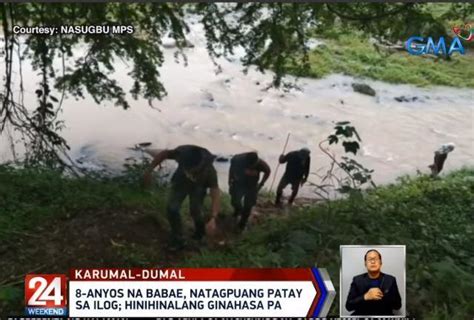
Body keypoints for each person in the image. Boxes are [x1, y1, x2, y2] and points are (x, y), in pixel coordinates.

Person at [143, 145, 220, 249]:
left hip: (199, 187)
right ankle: (177, 238)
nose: (188, 172)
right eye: (186, 168)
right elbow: (163, 154)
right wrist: (149, 171)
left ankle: (200, 234)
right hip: (180, 182)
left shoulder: (209, 171)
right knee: (172, 208)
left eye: (191, 170)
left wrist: (213, 218)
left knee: (196, 211)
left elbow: (215, 194)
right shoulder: (182, 153)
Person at [346, 249, 402, 316]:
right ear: (365, 263)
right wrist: (365, 297)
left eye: (375, 259)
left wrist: (384, 295)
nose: (373, 261)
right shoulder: (357, 280)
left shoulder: (390, 280)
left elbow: (398, 306)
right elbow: (348, 306)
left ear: (380, 263)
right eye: (370, 259)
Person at [229, 152, 271, 231]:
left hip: (252, 185)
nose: (251, 167)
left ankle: (242, 223)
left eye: (253, 166)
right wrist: (230, 180)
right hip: (239, 183)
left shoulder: (261, 164)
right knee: (235, 201)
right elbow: (231, 168)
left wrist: (261, 183)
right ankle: (238, 210)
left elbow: (268, 171)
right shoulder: (238, 160)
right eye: (250, 165)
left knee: (248, 205)